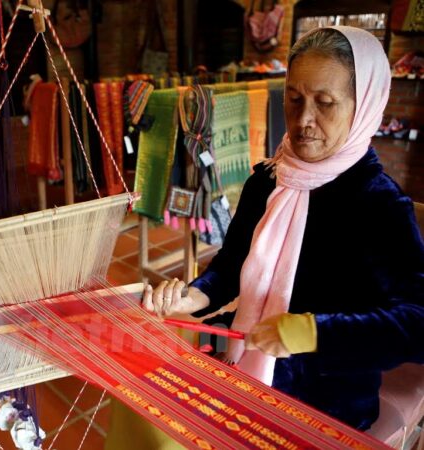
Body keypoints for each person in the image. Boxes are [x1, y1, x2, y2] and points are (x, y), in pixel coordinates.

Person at [141, 25, 424, 434]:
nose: (304, 119)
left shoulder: (377, 203)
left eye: (325, 103)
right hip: (248, 372)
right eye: (294, 99)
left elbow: (416, 324)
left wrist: (310, 333)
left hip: (329, 403)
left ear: (363, 106)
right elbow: (231, 264)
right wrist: (193, 296)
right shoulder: (268, 180)